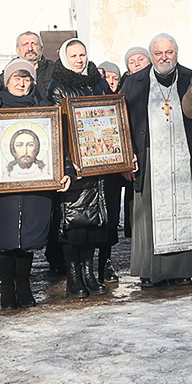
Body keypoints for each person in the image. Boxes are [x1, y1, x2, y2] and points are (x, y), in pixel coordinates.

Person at [124, 34, 192, 288]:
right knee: (149, 214)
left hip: (185, 158)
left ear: (176, 53)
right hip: (150, 159)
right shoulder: (134, 83)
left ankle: (184, 269)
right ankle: (150, 271)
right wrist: (127, 156)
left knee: (187, 211)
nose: (164, 57)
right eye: (158, 53)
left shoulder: (189, 78)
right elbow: (122, 123)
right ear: (151, 56)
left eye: (168, 52)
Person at [43, 38, 120, 296]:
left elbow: (112, 117)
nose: (79, 59)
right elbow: (55, 129)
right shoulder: (57, 87)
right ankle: (74, 275)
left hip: (99, 163)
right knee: (73, 223)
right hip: (73, 166)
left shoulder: (98, 82)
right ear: (65, 58)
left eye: (82, 54)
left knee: (95, 224)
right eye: (74, 55)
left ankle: (89, 272)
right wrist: (66, 164)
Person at [0, 58, 55, 308]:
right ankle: (7, 289)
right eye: (16, 79)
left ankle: (24, 286)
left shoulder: (44, 106)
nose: (21, 84)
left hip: (34, 182)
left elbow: (54, 140)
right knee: (3, 238)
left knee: (27, 238)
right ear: (6, 81)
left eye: (26, 79)